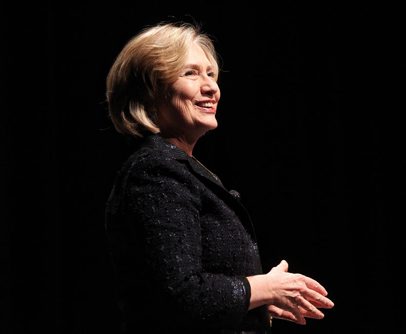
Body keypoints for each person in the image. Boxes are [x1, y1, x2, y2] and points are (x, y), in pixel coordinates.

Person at [104, 21, 334, 334]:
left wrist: (256, 305)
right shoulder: (156, 172)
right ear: (150, 90)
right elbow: (180, 295)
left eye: (211, 74)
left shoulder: (180, 168)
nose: (211, 87)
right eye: (191, 73)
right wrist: (263, 288)